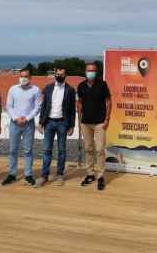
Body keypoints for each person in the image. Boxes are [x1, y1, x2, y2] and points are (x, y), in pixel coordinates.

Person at [36, 68, 76, 188]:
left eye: (61, 74)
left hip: (63, 123)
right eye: (57, 74)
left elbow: (72, 110)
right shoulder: (48, 88)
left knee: (61, 150)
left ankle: (60, 174)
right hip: (48, 122)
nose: (59, 76)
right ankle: (44, 176)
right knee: (47, 150)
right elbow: (44, 106)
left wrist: (72, 125)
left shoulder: (70, 90)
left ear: (65, 75)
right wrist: (40, 122)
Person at [2, 68, 41, 186]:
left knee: (28, 150)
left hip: (28, 124)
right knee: (13, 150)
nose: (23, 78)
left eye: (26, 76)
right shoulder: (13, 89)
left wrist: (27, 118)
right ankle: (12, 174)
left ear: (30, 78)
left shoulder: (36, 90)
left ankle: (28, 174)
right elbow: (9, 106)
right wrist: (16, 118)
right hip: (15, 123)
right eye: (21, 76)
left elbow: (37, 107)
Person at [77, 62, 111, 191]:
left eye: (93, 70)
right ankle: (90, 174)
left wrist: (107, 118)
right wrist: (79, 119)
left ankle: (101, 176)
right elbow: (79, 102)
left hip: (100, 123)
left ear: (96, 72)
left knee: (100, 149)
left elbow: (108, 101)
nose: (90, 72)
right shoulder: (81, 86)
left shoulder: (102, 85)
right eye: (88, 70)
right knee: (88, 148)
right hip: (85, 123)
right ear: (85, 72)